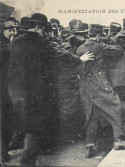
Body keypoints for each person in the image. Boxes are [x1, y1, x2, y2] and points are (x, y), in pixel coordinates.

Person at [6, 13, 94, 166]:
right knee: (35, 127)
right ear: (39, 28)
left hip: (15, 90)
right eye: (43, 29)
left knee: (24, 125)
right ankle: (27, 162)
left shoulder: (17, 41)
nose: (44, 32)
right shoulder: (41, 42)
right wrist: (80, 59)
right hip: (34, 92)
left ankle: (18, 157)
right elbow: (61, 54)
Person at [76, 23, 125, 158]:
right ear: (98, 36)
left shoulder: (80, 48)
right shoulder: (99, 46)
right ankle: (120, 140)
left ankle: (89, 146)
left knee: (93, 114)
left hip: (85, 86)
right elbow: (118, 50)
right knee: (118, 107)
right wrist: (109, 40)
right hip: (100, 83)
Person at [0, 5, 19, 162]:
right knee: (5, 122)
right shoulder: (7, 48)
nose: (13, 33)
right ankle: (3, 153)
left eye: (14, 30)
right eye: (10, 30)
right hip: (4, 91)